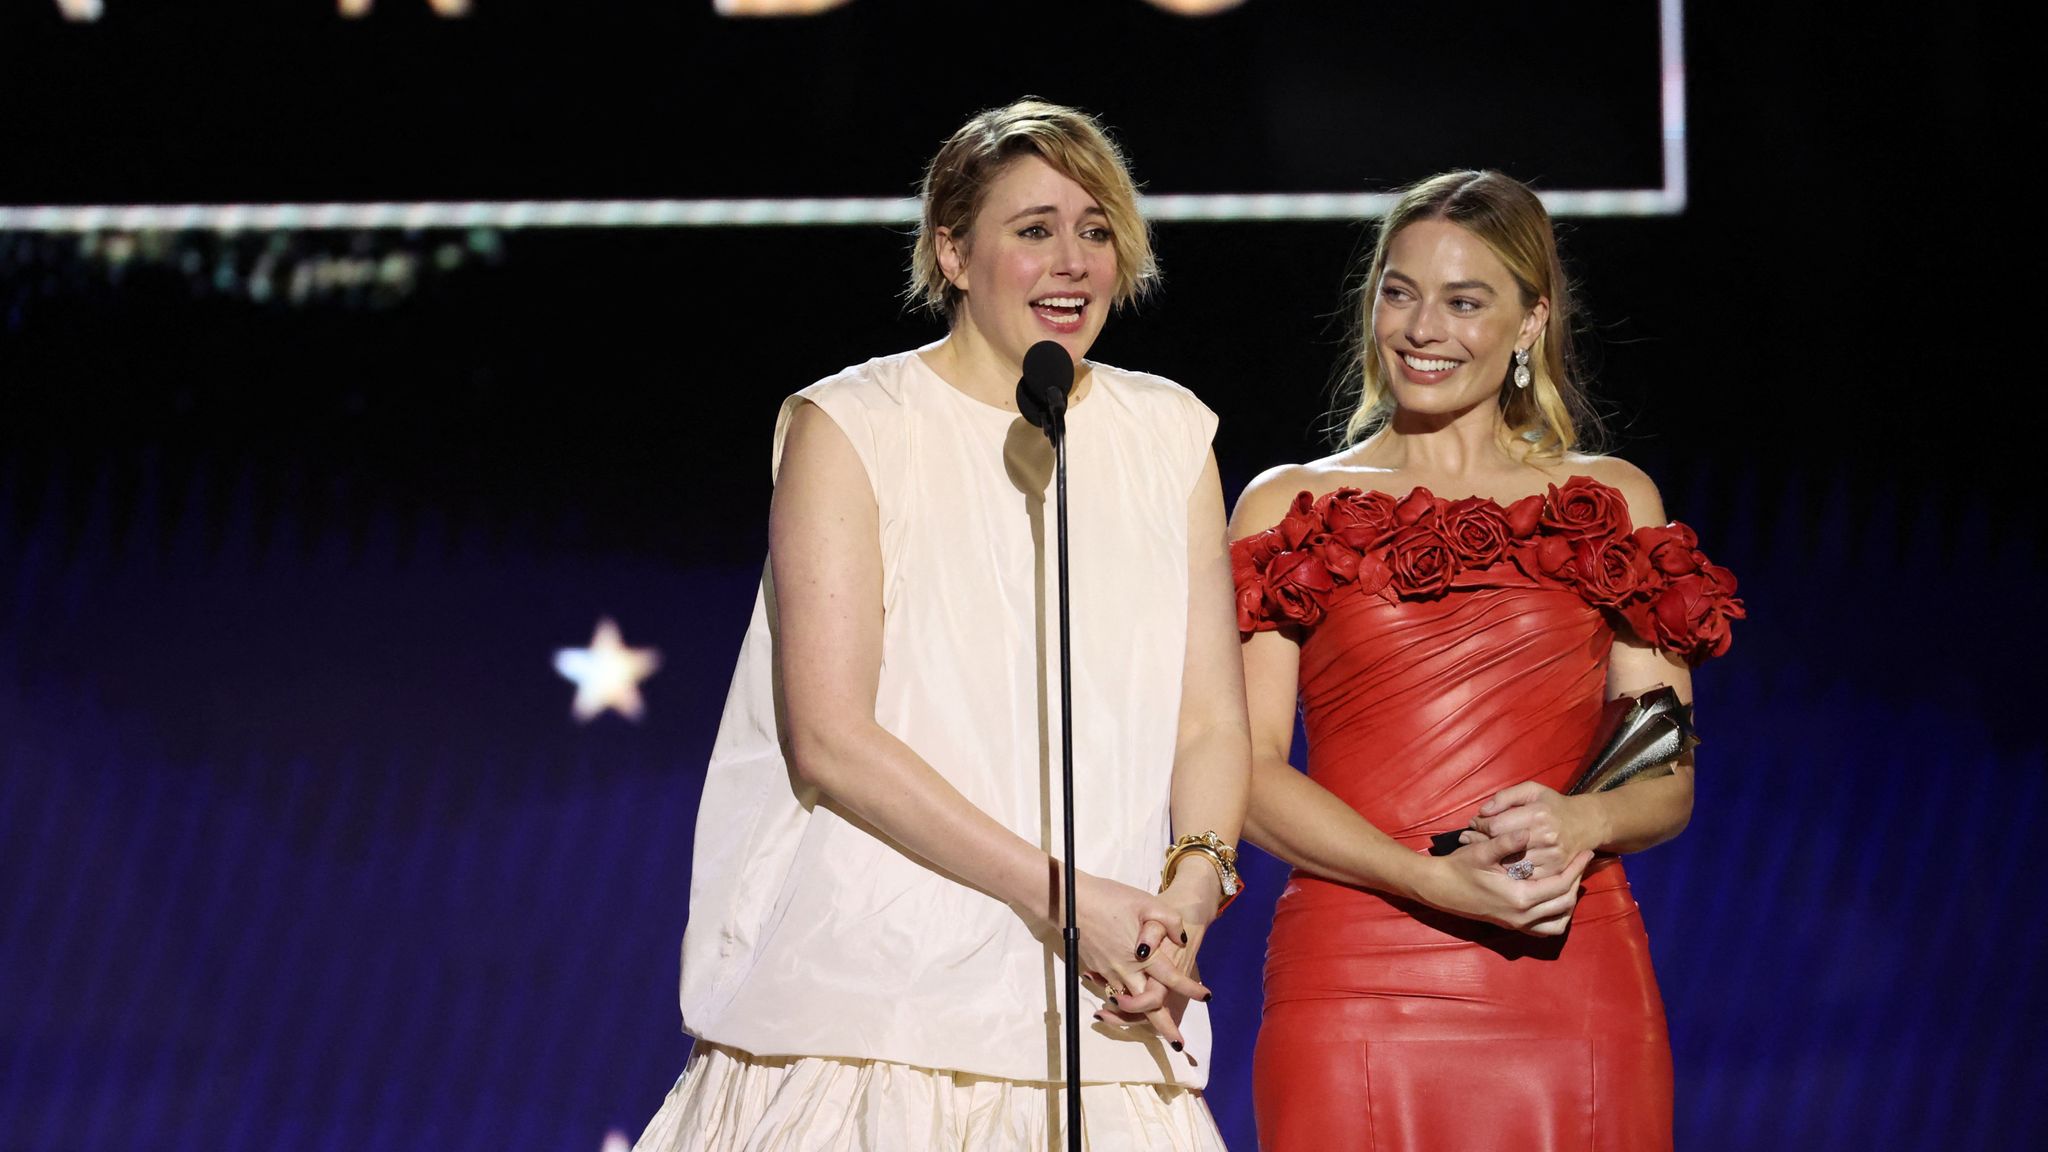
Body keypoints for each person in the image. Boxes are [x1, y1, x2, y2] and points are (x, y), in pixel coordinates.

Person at [631, 99, 1251, 1152]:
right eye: (1033, 229)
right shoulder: (854, 426)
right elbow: (829, 739)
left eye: (1095, 230)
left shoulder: (1167, 434)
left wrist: (1182, 903)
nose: (1072, 261)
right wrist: (1066, 900)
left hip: (1098, 1009)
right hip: (878, 1005)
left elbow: (1209, 724)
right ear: (951, 252)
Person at [1228, 170, 1744, 1151]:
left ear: (1528, 322)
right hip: (1355, 980)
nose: (1422, 328)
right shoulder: (1288, 506)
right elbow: (1242, 774)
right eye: (1398, 291)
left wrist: (1585, 815)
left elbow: (1662, 771)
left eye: (1463, 302)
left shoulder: (1608, 500)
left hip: (1563, 967)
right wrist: (1424, 879)